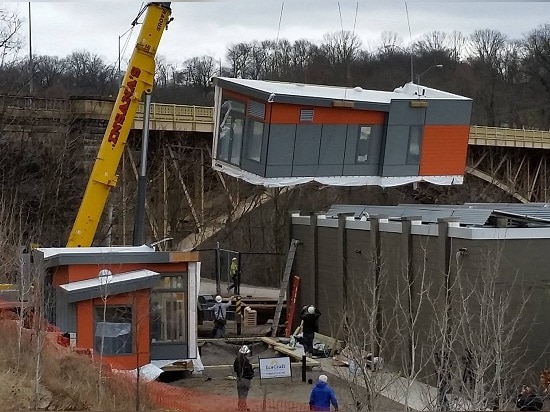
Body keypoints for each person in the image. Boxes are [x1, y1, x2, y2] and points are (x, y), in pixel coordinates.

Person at [233, 345, 254, 411]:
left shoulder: (237, 361)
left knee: (240, 394)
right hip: (245, 379)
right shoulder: (246, 362)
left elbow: (236, 369)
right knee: (244, 395)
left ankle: (241, 406)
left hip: (239, 379)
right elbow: (249, 371)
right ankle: (242, 408)